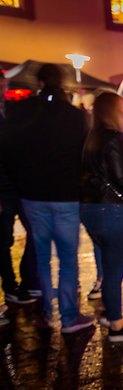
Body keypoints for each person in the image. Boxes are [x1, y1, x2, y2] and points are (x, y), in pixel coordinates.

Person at [2, 63, 94, 332]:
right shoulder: (75, 117)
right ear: (62, 83)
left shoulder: (22, 111)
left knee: (42, 255)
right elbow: (85, 157)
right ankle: (68, 317)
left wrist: (20, 182)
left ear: (39, 83)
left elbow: (8, 152)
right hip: (66, 195)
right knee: (67, 258)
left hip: (32, 195)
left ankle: (46, 312)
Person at [80, 91, 123, 342]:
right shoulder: (114, 138)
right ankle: (117, 326)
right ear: (112, 111)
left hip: (91, 209)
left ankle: (110, 313)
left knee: (109, 266)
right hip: (113, 211)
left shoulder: (92, 137)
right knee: (114, 271)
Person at [0, 71, 39, 306]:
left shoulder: (12, 111)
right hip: (3, 187)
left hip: (19, 185)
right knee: (4, 240)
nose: (2, 90)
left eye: (3, 85)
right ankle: (10, 286)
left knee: (35, 232)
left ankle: (27, 281)